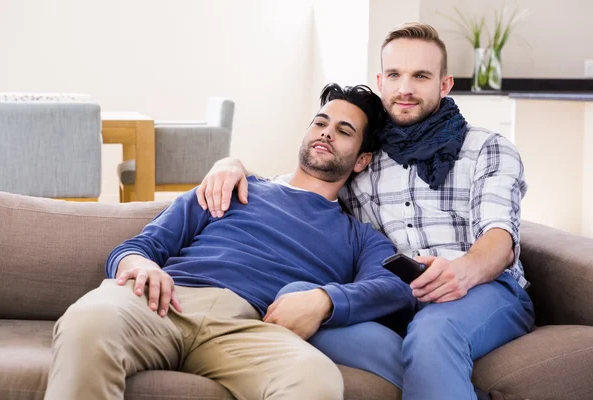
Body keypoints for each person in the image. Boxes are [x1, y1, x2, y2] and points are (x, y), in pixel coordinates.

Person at [197, 23, 535, 400]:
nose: (405, 88)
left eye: (420, 76)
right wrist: (232, 165)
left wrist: (462, 272)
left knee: (433, 332)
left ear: (444, 85)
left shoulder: (486, 148)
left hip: (482, 290)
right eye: (394, 75)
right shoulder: (363, 158)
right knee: (296, 298)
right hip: (395, 301)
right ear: (381, 80)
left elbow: (499, 240)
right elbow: (291, 189)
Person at [44, 83, 416, 400]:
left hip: (251, 327)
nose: (326, 132)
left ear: (362, 160)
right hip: (165, 301)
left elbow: (395, 287)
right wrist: (138, 265)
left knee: (315, 380)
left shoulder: (359, 235)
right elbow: (138, 247)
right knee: (88, 322)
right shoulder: (232, 186)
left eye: (344, 130)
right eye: (320, 122)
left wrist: (324, 300)